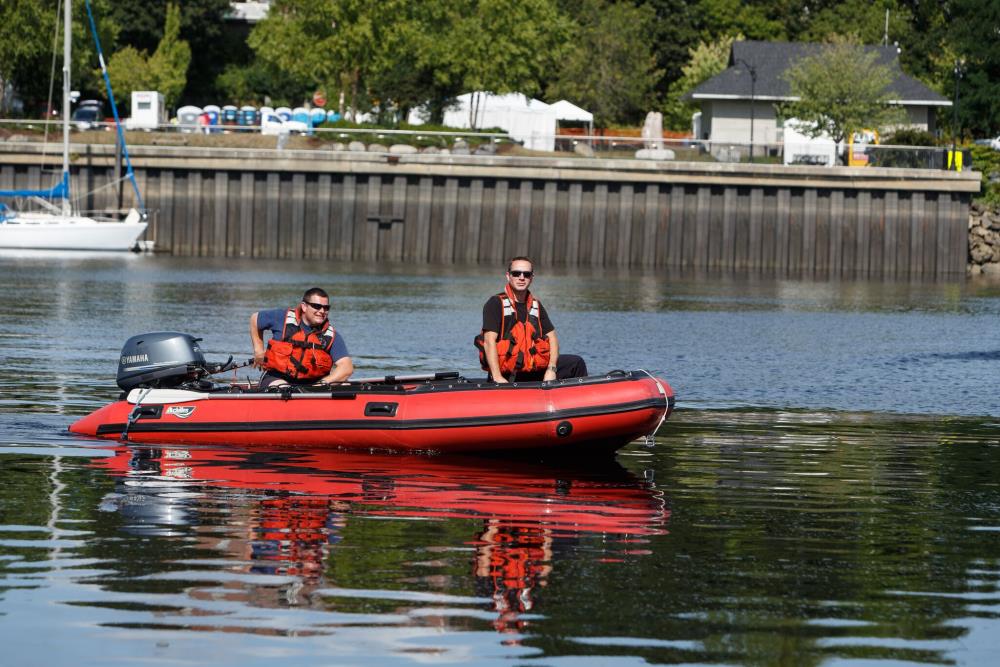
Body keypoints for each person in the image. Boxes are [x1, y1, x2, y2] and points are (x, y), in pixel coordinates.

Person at [475, 256, 588, 383]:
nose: (521, 277)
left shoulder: (536, 306)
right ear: (508, 276)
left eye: (526, 274)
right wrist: (497, 377)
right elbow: (489, 341)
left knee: (576, 363)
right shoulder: (495, 303)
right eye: (516, 273)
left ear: (531, 278)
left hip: (533, 369)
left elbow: (553, 339)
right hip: (507, 374)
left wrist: (551, 369)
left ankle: (580, 400)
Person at [250, 287, 353, 388]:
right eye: (317, 306)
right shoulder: (282, 318)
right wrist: (258, 351)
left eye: (326, 308)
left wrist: (320, 385)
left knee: (345, 385)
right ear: (304, 307)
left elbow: (346, 368)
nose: (322, 311)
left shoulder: (331, 336)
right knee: (283, 388)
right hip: (277, 379)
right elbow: (255, 318)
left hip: (313, 385)